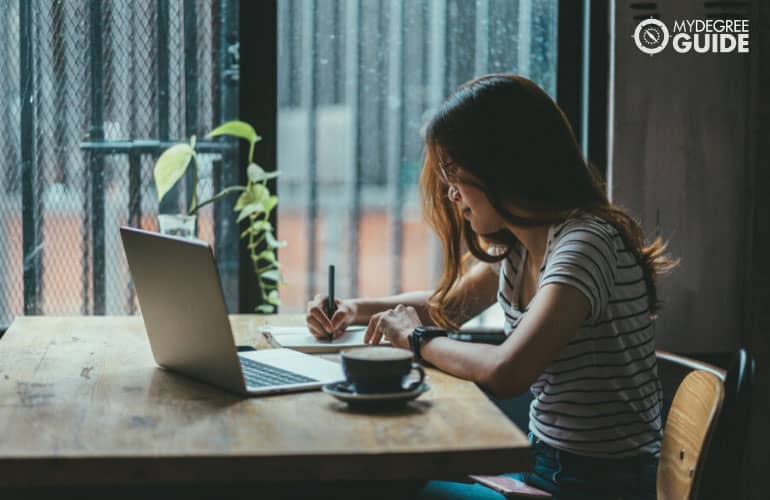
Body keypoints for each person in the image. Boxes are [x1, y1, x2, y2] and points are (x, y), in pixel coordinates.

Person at [305, 74, 676, 499]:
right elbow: (447, 306)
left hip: (596, 486)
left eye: (454, 172)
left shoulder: (584, 244)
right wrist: (354, 307)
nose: (449, 193)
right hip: (547, 469)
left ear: (501, 165)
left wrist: (416, 338)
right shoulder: (523, 245)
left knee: (382, 491)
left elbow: (508, 371)